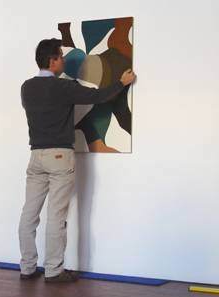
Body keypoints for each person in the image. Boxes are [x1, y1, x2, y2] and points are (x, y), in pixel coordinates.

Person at [18, 38, 136, 283]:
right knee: (56, 216)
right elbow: (98, 96)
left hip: (35, 157)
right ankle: (53, 271)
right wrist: (121, 83)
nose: (63, 60)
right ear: (52, 61)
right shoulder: (62, 87)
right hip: (59, 157)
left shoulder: (26, 87)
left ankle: (27, 268)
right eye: (60, 56)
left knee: (29, 214)